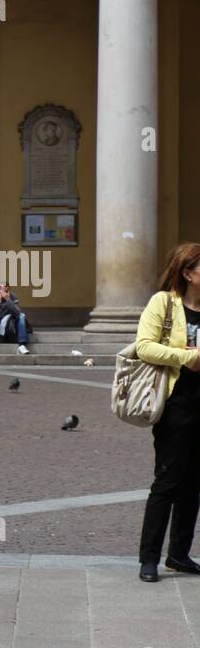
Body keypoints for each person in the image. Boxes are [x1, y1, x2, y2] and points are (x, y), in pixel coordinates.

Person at [136, 242, 200, 582]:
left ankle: (179, 553)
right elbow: (144, 346)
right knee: (168, 481)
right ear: (188, 274)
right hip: (176, 404)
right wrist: (187, 357)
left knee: (194, 485)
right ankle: (149, 557)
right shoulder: (164, 303)